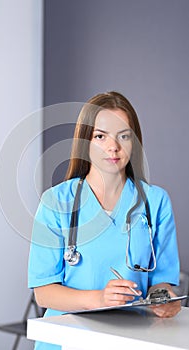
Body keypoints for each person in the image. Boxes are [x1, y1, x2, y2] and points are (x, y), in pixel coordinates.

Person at [28, 91, 181, 350]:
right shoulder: (56, 202)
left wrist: (163, 298)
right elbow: (43, 292)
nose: (113, 147)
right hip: (67, 339)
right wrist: (100, 298)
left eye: (124, 136)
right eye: (101, 136)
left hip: (132, 338)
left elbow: (162, 281)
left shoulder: (156, 202)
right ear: (85, 141)